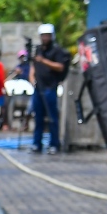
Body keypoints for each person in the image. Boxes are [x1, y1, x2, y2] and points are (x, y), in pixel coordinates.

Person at [30, 23, 71, 154]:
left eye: (47, 36)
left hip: (50, 87)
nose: (45, 38)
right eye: (43, 36)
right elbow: (34, 65)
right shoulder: (39, 50)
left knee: (52, 117)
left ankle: (54, 144)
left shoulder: (56, 51)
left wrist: (44, 61)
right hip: (38, 87)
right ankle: (37, 144)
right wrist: (32, 79)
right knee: (38, 118)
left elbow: (60, 67)